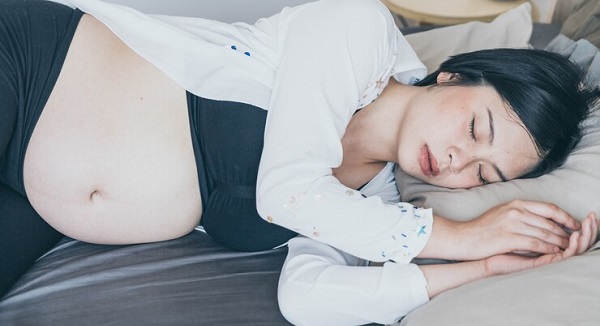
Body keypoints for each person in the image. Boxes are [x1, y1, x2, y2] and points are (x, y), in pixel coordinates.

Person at [0, 0, 597, 313]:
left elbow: (307, 296)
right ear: (452, 75)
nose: (456, 161)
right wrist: (465, 237)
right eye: (475, 128)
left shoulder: (373, 205)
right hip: (25, 72)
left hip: (29, 190)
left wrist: (485, 269)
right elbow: (285, 191)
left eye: (484, 175)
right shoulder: (356, 30)